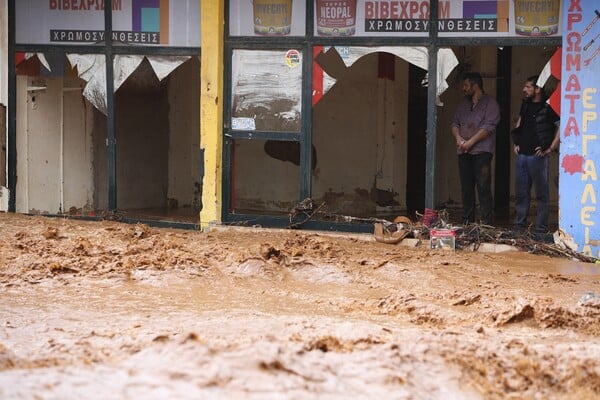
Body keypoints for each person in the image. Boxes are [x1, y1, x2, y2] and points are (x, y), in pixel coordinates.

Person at [511, 75, 560, 240]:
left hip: (538, 157)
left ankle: (540, 230)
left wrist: (550, 148)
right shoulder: (525, 104)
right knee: (521, 193)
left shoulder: (548, 107)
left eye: (528, 87)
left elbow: (560, 125)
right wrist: (516, 142)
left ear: (537, 89)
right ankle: (519, 227)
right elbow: (520, 122)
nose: (524, 90)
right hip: (522, 155)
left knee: (541, 195)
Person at [451, 72, 501, 225]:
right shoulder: (462, 104)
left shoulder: (491, 104)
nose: (463, 89)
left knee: (483, 187)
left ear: (475, 86)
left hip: (482, 152)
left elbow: (488, 127)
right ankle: (467, 221)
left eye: (466, 85)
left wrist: (470, 142)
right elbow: (454, 123)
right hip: (463, 151)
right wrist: (459, 139)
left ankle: (486, 223)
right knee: (466, 188)